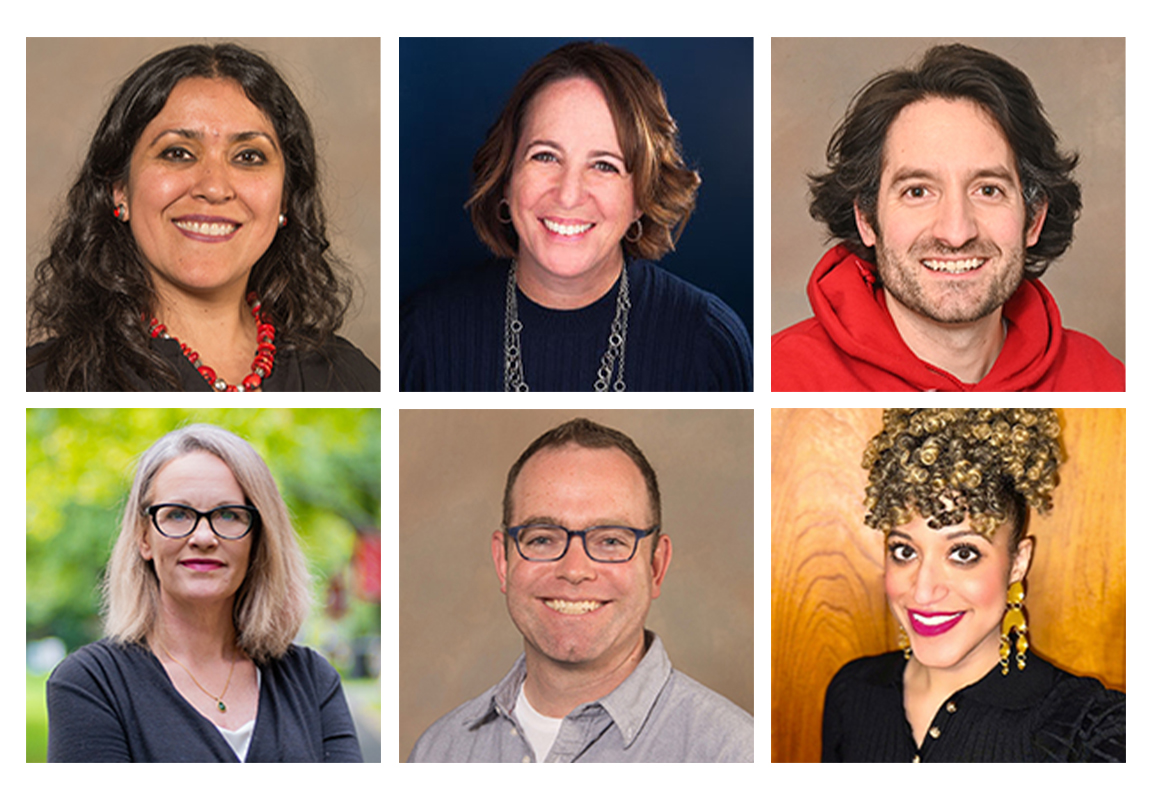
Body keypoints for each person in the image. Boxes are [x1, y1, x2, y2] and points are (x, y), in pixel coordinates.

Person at [401, 42, 752, 391]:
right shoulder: (421, 334)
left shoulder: (709, 342)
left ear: (642, 197)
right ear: (506, 176)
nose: (568, 195)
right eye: (545, 156)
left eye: (604, 165)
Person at [27, 43, 380, 391]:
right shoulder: (40, 383)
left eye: (248, 156)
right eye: (177, 153)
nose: (213, 187)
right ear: (119, 189)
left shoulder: (348, 377)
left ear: (286, 198)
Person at [772, 44, 1124, 391]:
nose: (956, 233)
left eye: (988, 190)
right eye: (918, 191)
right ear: (866, 218)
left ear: (1034, 219)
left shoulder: (1107, 383)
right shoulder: (779, 378)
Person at [408, 418, 753, 761]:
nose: (574, 570)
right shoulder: (438, 752)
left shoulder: (736, 756)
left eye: (610, 540)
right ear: (503, 561)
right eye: (542, 538)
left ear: (656, 566)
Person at [822, 409, 1125, 762]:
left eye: (963, 553)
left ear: (1018, 562)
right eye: (905, 551)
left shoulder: (1089, 729)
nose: (923, 592)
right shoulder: (852, 691)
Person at [46, 424, 363, 762]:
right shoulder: (91, 684)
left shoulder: (312, 680)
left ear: (258, 539)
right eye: (178, 514)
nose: (203, 537)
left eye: (228, 515)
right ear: (144, 538)